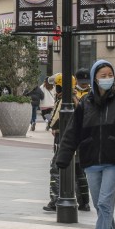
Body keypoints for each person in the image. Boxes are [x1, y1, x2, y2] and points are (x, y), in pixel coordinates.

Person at [55, 60, 115, 229]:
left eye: (110, 74)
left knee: (105, 203)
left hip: (113, 160)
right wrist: (63, 157)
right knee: (100, 205)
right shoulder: (85, 103)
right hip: (91, 159)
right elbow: (72, 132)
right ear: (94, 78)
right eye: (103, 75)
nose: (107, 78)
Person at [45, 70, 92, 212]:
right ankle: (84, 202)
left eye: (56, 87)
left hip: (66, 139)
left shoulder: (64, 99)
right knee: (79, 171)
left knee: (56, 169)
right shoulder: (81, 97)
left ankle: (54, 200)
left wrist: (52, 125)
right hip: (81, 139)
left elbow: (54, 122)